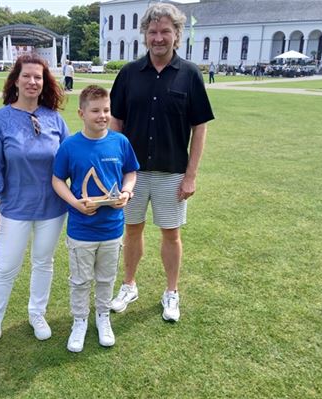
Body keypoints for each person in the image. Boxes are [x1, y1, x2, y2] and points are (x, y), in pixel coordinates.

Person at [109, 3, 214, 322]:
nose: (158, 37)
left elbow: (200, 126)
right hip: (133, 174)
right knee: (132, 229)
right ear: (145, 35)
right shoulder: (129, 74)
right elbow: (116, 122)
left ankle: (171, 292)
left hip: (172, 173)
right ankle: (129, 285)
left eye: (165, 31)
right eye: (153, 31)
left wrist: (191, 175)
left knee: (171, 234)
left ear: (177, 35)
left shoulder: (190, 74)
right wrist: (116, 168)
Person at [0, 54, 70, 356]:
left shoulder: (54, 118)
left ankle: (37, 313)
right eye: (27, 76)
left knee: (43, 262)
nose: (33, 82)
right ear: (16, 80)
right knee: (5, 268)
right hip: (15, 207)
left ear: (44, 82)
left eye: (39, 77)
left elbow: (71, 157)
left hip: (52, 208)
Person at [52, 85, 139, 352]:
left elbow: (130, 172)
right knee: (80, 280)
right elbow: (58, 179)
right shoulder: (70, 146)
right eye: (95, 111)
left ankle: (102, 317)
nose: (102, 115)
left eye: (106, 110)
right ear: (81, 113)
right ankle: (79, 321)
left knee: (106, 278)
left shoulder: (120, 142)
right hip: (81, 230)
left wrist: (126, 191)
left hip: (112, 229)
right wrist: (75, 204)